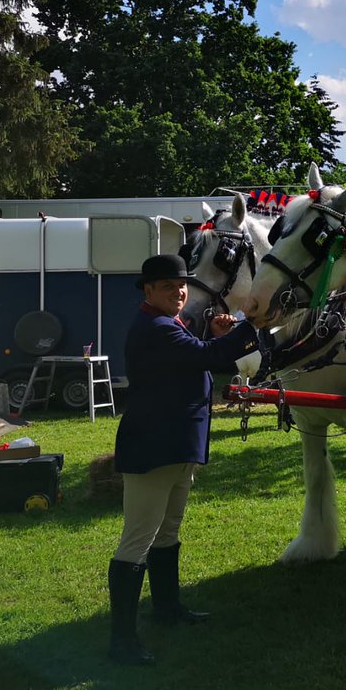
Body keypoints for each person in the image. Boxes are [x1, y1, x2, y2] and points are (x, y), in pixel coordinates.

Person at [107, 253, 259, 666]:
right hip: (155, 449)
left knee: (167, 531)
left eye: (183, 285)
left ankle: (167, 608)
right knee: (137, 541)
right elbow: (207, 357)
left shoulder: (168, 324)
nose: (179, 292)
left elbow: (203, 352)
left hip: (175, 448)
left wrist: (215, 334)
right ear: (148, 290)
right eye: (169, 286)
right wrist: (253, 329)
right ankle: (122, 641)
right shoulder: (156, 328)